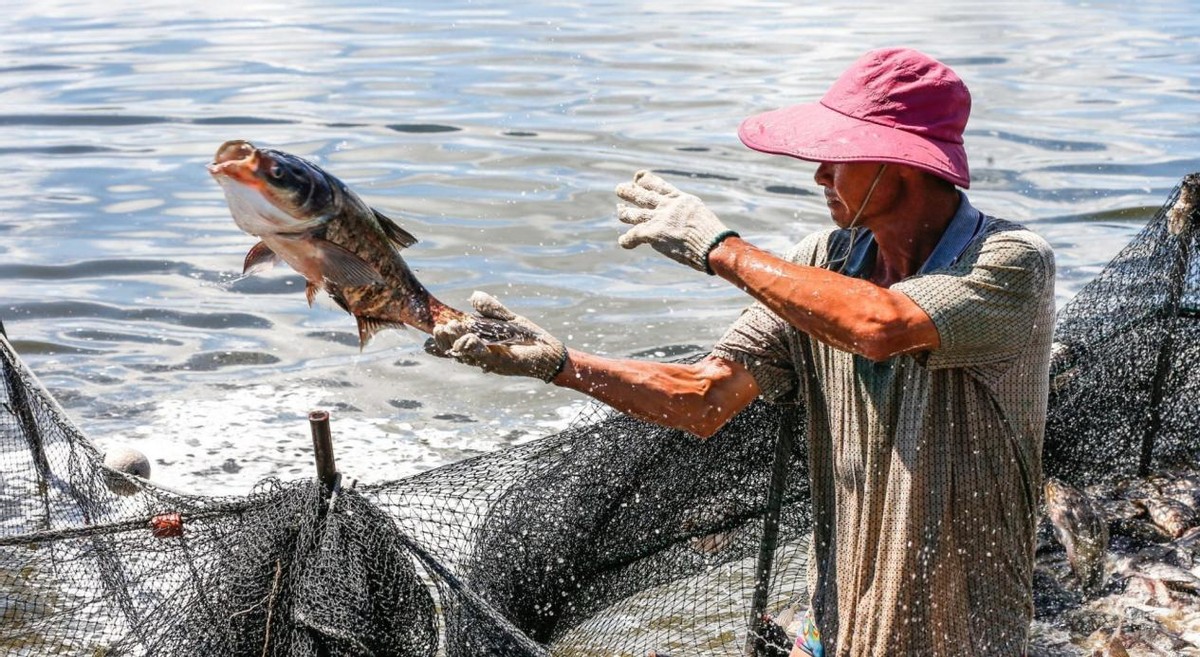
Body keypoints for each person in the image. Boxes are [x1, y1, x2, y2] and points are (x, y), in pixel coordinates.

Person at [431, 48, 1055, 657]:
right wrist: (560, 364)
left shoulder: (1010, 262)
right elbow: (703, 398)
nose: (819, 176)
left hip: (965, 625)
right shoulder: (825, 261)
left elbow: (880, 324)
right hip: (842, 616)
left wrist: (719, 248)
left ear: (902, 166)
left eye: (837, 159)